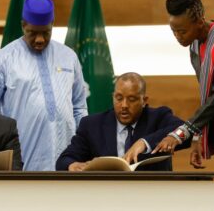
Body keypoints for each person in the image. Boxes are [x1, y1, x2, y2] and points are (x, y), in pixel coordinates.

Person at [0, 0, 87, 171]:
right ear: (23, 25)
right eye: (33, 33)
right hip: (22, 159)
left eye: (45, 33)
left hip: (67, 160)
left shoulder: (69, 57)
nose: (39, 40)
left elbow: (79, 106)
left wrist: (83, 147)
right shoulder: (2, 59)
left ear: (52, 25)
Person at [152, 0, 214, 196]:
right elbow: (207, 96)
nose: (178, 37)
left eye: (182, 31)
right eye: (174, 31)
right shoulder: (195, 45)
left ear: (199, 21)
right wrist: (198, 138)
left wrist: (182, 133)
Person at [56, 72, 190, 171]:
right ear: (113, 97)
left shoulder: (158, 117)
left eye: (131, 99)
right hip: (106, 198)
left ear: (144, 101)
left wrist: (144, 142)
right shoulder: (91, 125)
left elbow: (185, 130)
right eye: (119, 98)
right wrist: (72, 165)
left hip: (151, 196)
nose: (124, 105)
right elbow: (63, 160)